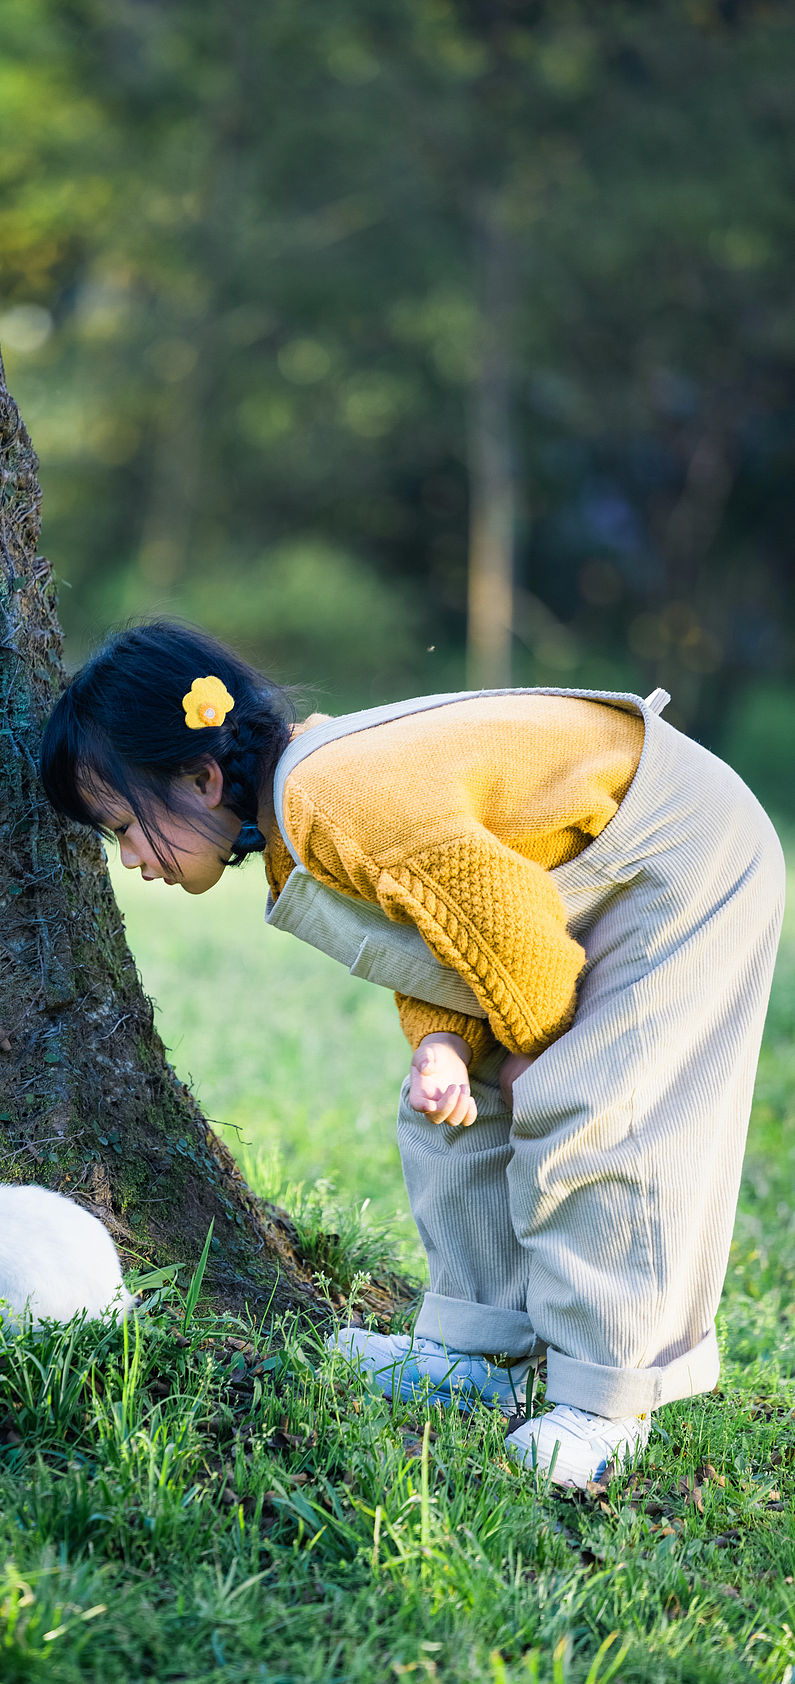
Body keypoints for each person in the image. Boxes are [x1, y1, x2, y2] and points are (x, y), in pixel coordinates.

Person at [39, 620, 786, 1486]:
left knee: (590, 1107)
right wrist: (444, 1041)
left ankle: (608, 1399)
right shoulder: (302, 809)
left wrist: (528, 1047)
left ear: (202, 780)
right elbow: (442, 931)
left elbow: (506, 921)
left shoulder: (333, 797)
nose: (128, 859)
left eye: (125, 826)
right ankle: (481, 1351)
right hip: (576, 886)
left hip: (680, 848)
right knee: (444, 1100)